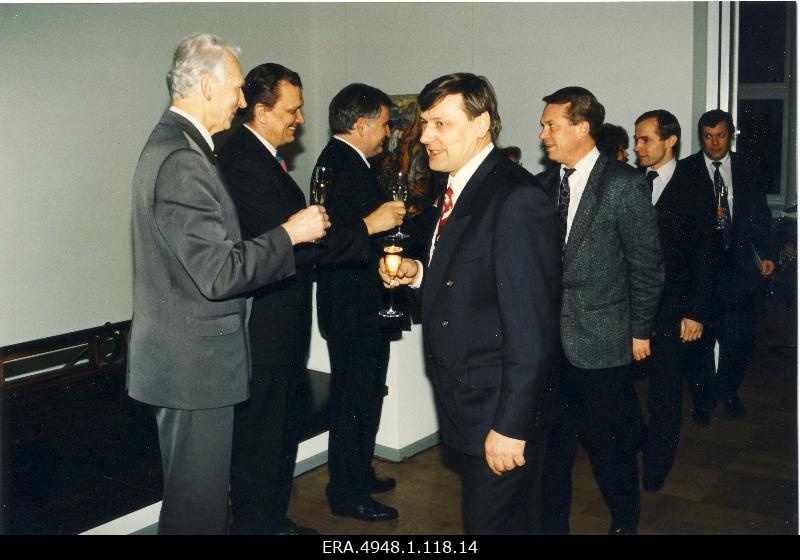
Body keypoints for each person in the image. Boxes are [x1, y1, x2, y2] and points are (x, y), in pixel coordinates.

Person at [127, 33, 328, 534]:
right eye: (237, 88)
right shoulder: (182, 159)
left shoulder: (184, 147)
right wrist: (290, 233)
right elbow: (218, 274)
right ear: (206, 87)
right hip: (194, 368)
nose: (243, 101)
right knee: (198, 511)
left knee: (200, 505)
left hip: (192, 363)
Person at [218, 66, 404, 534]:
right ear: (261, 112)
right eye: (292, 109)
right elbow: (297, 244)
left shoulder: (262, 157)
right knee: (264, 429)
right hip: (267, 322)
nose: (300, 119)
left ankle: (269, 518)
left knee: (276, 426)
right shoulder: (243, 160)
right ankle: (260, 524)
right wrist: (368, 226)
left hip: (284, 318)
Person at [380, 73, 561, 534]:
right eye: (425, 124)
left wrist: (510, 426)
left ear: (481, 125)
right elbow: (471, 279)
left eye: (440, 124)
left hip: (496, 413)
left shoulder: (515, 197)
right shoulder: (460, 184)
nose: (425, 137)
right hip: (470, 404)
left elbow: (532, 330)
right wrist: (417, 273)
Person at [536, 86, 664, 535]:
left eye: (551, 125)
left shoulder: (623, 185)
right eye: (544, 125)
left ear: (582, 128)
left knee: (610, 450)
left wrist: (640, 331)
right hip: (550, 348)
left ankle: (624, 522)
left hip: (604, 344)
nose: (543, 133)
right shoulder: (543, 186)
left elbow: (647, 268)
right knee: (552, 454)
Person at [314, 83, 408, 522]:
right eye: (385, 123)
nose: (389, 132)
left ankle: (359, 473)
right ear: (361, 123)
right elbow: (325, 245)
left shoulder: (353, 163)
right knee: (353, 402)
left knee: (367, 396)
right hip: (352, 310)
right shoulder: (337, 165)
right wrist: (375, 224)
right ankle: (346, 492)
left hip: (364, 307)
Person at [632, 109, 718, 490]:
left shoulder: (695, 185)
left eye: (646, 139)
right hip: (631, 309)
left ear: (670, 141)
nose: (638, 147)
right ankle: (638, 441)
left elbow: (706, 253)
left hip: (674, 309)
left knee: (665, 393)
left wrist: (695, 311)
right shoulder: (632, 183)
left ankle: (656, 468)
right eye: (636, 139)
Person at [681, 109, 775, 421]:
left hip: (739, 270)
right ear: (701, 137)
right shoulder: (687, 171)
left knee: (739, 339)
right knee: (699, 345)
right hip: (701, 273)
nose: (715, 142)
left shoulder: (748, 167)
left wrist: (769, 253)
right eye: (708, 137)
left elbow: (761, 215)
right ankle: (704, 400)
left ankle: (729, 390)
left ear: (730, 134)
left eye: (720, 135)